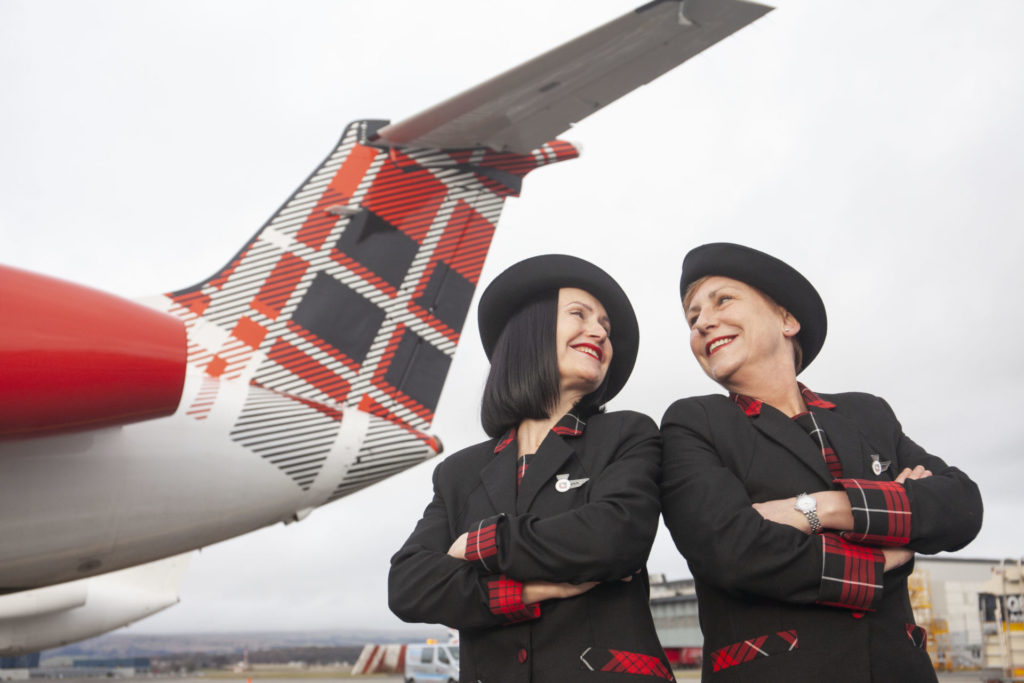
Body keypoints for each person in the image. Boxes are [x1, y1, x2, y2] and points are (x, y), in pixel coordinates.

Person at [660, 243, 983, 682]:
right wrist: (887, 547)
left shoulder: (868, 414)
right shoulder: (694, 422)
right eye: (692, 317)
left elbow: (960, 506)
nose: (703, 321)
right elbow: (730, 549)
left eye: (723, 300)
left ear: (786, 320)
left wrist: (820, 509)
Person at [389, 254, 673, 682]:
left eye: (606, 328)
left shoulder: (627, 434)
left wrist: (482, 544)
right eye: (579, 314)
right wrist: (518, 592)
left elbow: (616, 536)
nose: (598, 331)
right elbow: (409, 584)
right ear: (530, 332)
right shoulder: (459, 473)